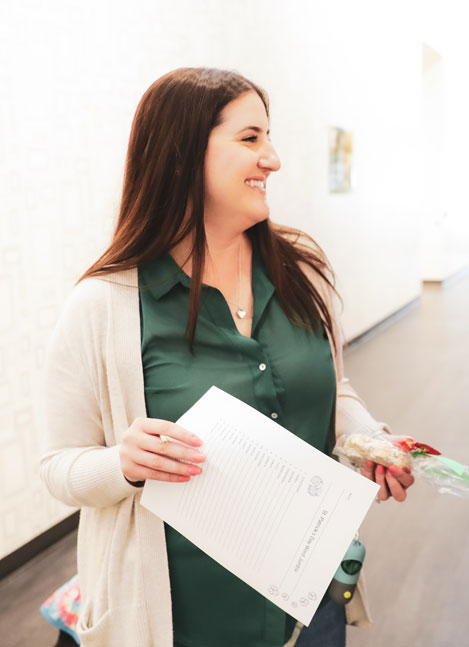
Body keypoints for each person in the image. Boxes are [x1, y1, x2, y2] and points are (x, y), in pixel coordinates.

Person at [39, 67, 414, 647]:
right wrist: (126, 463)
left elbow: (333, 388)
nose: (274, 159)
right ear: (183, 154)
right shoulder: (104, 305)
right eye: (250, 138)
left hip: (308, 600)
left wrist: (366, 439)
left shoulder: (302, 274)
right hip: (178, 621)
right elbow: (60, 467)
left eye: (269, 138)